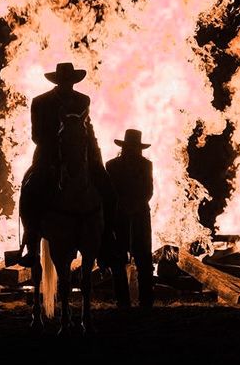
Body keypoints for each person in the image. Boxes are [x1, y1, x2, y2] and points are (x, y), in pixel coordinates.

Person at [18, 62, 115, 267]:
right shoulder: (40, 102)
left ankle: (108, 239)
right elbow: (37, 136)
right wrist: (61, 145)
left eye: (69, 81)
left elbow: (88, 129)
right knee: (32, 188)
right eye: (64, 81)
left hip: (81, 152)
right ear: (58, 81)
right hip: (49, 154)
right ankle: (31, 243)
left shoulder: (83, 100)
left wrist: (94, 155)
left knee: (107, 187)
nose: (67, 85)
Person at [106, 129, 154, 309]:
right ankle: (127, 302)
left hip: (138, 214)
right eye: (132, 147)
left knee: (142, 260)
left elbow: (148, 191)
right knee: (120, 260)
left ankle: (144, 301)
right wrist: (126, 207)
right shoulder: (113, 165)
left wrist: (132, 207)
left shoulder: (143, 165)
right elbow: (109, 192)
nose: (134, 150)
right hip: (123, 215)